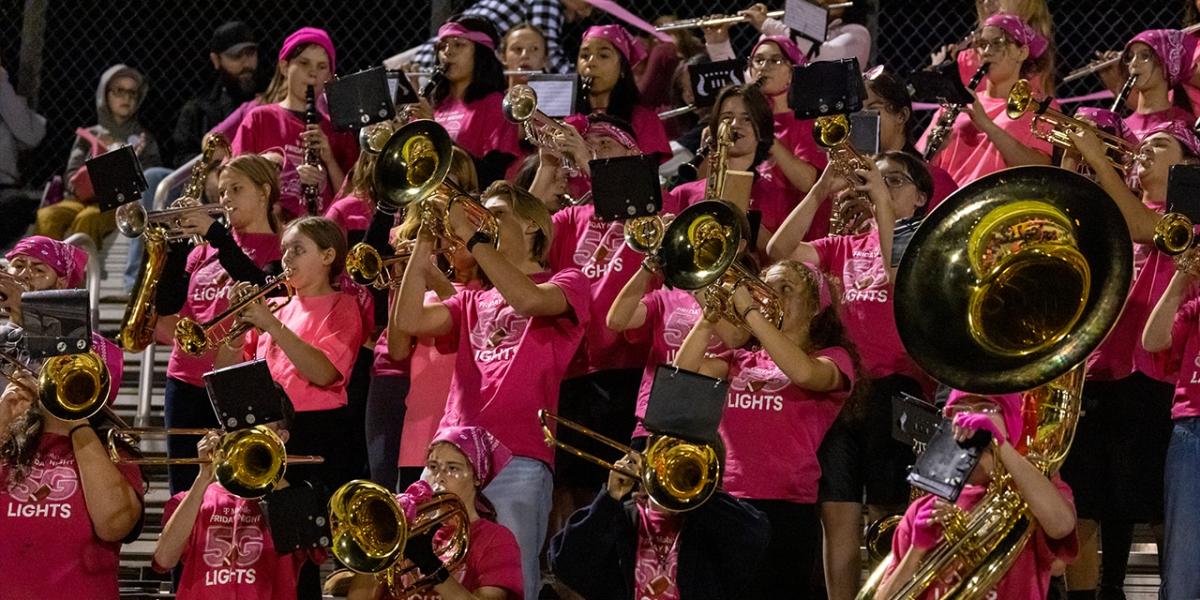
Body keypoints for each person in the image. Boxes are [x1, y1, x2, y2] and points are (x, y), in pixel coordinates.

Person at [391, 180, 589, 600]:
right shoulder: (472, 297)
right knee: (432, 572)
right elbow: (408, 320)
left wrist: (473, 237)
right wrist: (426, 238)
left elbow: (530, 301)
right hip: (451, 453)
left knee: (512, 584)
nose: (484, 222)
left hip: (519, 453)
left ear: (534, 226)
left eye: (496, 214)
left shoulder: (569, 281)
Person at [766, 153, 933, 600]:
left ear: (919, 198)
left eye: (894, 179)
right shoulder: (842, 246)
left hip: (898, 389)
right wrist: (821, 188)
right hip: (842, 390)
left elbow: (901, 281)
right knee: (837, 513)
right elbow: (778, 252)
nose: (878, 183)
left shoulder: (924, 240)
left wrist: (880, 199)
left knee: (888, 512)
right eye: (874, 176)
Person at [1060, 121, 1200, 600]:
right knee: (1082, 501)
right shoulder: (1113, 212)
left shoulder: (1188, 218)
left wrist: (1099, 158)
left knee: (1159, 508)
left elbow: (1148, 227)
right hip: (1098, 370)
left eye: (1158, 145)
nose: (1141, 152)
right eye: (1140, 146)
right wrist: (1073, 166)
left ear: (1190, 164)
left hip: (1155, 376)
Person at [674, 259, 861, 598]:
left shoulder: (834, 358)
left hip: (785, 509)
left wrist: (749, 313)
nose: (770, 296)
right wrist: (708, 318)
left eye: (785, 289)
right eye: (766, 288)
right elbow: (684, 375)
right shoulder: (741, 359)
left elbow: (803, 374)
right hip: (725, 500)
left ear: (816, 308)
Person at [153, 154, 283, 494]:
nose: (225, 199)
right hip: (184, 379)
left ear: (264, 191)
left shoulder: (281, 247)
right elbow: (166, 306)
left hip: (239, 380)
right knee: (182, 487)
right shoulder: (204, 251)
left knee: (235, 486)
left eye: (236, 189)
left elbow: (260, 285)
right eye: (222, 192)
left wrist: (216, 235)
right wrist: (179, 246)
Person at [874, 390, 1078, 599]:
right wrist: (916, 551)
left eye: (986, 408)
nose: (971, 419)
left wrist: (1001, 444)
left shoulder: (1031, 496)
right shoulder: (924, 508)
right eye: (960, 410)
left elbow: (1061, 527)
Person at [214, 216, 366, 491]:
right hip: (269, 425)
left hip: (319, 428)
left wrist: (271, 324)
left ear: (328, 255)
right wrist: (236, 328)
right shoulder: (273, 305)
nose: (286, 258)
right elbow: (225, 375)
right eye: (284, 250)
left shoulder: (343, 306)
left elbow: (324, 374)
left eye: (298, 249)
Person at [150, 394, 325, 600]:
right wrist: (202, 478)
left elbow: (312, 551)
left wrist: (270, 466)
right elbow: (164, 560)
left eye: (262, 419)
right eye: (242, 419)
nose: (249, 425)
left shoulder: (299, 500)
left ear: (282, 436)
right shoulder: (188, 500)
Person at [547, 449, 771, 599]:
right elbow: (565, 565)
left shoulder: (712, 524)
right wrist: (609, 498)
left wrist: (700, 494)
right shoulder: (621, 518)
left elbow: (754, 537)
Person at [347, 426, 524, 600]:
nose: (439, 476)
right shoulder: (410, 528)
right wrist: (381, 540)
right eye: (433, 467)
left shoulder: (497, 538)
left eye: (453, 468)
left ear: (477, 477)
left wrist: (432, 567)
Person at [34, 64, 169, 252]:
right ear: (104, 95)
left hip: (116, 204)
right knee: (48, 216)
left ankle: (77, 278)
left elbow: (149, 179)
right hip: (79, 199)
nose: (126, 98)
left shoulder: (145, 139)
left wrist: (131, 162)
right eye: (119, 91)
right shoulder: (88, 135)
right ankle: (43, 274)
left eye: (133, 93)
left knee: (88, 219)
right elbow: (71, 174)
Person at [232, 27, 358, 221]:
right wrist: (289, 177)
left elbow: (352, 199)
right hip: (271, 227)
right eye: (304, 63)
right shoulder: (260, 119)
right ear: (284, 67)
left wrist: (330, 160)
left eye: (322, 67)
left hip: (323, 234)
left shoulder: (338, 129)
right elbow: (235, 180)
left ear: (330, 77)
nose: (313, 74)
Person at [919, 13, 1054, 186]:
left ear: (1022, 52)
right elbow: (921, 166)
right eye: (983, 45)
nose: (987, 52)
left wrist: (986, 125)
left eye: (998, 43)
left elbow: (1042, 170)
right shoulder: (958, 102)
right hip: (947, 201)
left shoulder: (1037, 105)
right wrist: (934, 151)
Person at [663, 84, 792, 256]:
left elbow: (783, 258)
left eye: (747, 119)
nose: (735, 125)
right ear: (715, 129)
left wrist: (738, 213)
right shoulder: (682, 194)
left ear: (761, 129)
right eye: (726, 118)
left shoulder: (777, 195)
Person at [1141, 250, 1200, 599]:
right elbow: (1152, 341)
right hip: (1193, 431)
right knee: (1184, 571)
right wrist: (1182, 279)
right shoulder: (1196, 308)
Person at [704, 31, 825, 197]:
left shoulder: (807, 121)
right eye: (758, 60)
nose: (764, 67)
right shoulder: (738, 120)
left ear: (793, 71)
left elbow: (807, 183)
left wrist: (768, 137)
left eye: (775, 60)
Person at [420, 16, 523, 186]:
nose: (448, 52)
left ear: (481, 52)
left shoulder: (496, 105)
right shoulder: (435, 106)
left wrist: (434, 129)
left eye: (458, 45)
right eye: (442, 46)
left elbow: (493, 175)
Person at [391, 0, 590, 74]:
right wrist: (582, 82)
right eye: (589, 4)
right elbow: (548, 52)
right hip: (439, 62)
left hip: (437, 56)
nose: (589, 11)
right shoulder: (546, 2)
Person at [861, 68, 958, 210]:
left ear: (901, 115)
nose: (860, 119)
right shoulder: (850, 180)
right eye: (855, 111)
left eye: (871, 109)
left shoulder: (936, 182)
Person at [574, 25, 672, 163]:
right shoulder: (564, 116)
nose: (590, 63)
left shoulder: (644, 120)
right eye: (584, 55)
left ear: (623, 69)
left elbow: (645, 177)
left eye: (603, 55)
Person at [172, 21, 259, 165]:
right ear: (216, 60)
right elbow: (182, 158)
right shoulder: (197, 109)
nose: (246, 63)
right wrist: (211, 173)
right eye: (236, 56)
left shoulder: (268, 100)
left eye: (250, 53)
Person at [738, 0, 872, 68]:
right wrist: (719, 43)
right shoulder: (779, 32)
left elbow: (822, 57)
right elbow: (750, 79)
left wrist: (767, 24)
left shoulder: (857, 34)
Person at [0, 56, 46, 249]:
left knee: (17, 205)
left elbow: (31, 135)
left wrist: (3, 85)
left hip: (4, 189)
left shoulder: (6, 104)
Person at [1118, 29, 1197, 139]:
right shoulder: (1119, 126)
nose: (1133, 63)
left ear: (1167, 65)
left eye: (1145, 56)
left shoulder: (1185, 125)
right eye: (1130, 57)